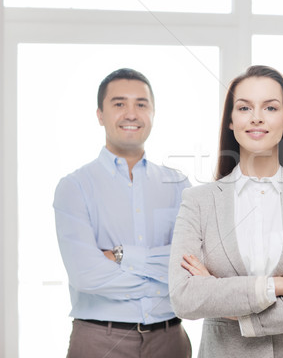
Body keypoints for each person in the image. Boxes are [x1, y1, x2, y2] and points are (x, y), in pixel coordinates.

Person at [168, 65, 283, 357]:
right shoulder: (198, 202)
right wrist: (281, 285)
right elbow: (185, 298)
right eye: (244, 107)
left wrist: (225, 300)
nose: (257, 117)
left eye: (271, 107)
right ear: (230, 120)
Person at [54, 68, 192, 358]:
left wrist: (120, 256)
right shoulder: (75, 187)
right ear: (100, 115)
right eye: (119, 104)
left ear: (153, 113)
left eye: (141, 104)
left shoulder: (178, 185)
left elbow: (192, 264)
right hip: (98, 340)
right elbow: (86, 275)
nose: (131, 113)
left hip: (170, 340)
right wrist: (164, 279)